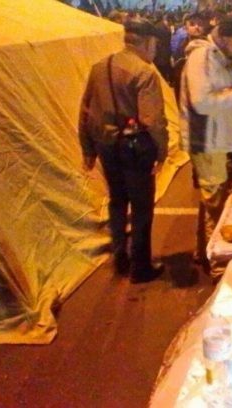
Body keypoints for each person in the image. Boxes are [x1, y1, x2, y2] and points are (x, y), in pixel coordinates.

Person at [79, 18, 168, 283]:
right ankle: (141, 267)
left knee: (117, 201)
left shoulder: (99, 67)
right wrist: (162, 151)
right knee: (141, 207)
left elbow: (85, 110)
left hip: (106, 145)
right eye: (155, 44)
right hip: (136, 148)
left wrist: (87, 148)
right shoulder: (144, 72)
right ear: (148, 42)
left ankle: (120, 258)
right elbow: (152, 120)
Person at [179, 14, 232, 272]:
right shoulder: (202, 57)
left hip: (216, 139)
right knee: (215, 202)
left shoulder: (219, 57)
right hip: (206, 139)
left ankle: (204, 252)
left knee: (211, 197)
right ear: (224, 37)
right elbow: (201, 102)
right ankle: (217, 265)